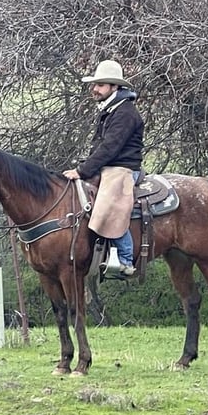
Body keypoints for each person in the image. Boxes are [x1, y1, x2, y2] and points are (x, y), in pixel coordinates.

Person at [63, 60, 144, 277]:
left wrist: (81, 171)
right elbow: (100, 146)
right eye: (95, 85)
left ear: (114, 87)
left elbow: (110, 147)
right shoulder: (111, 109)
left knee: (109, 206)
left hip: (122, 169)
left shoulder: (125, 112)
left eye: (100, 85)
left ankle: (125, 260)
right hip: (109, 168)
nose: (94, 89)